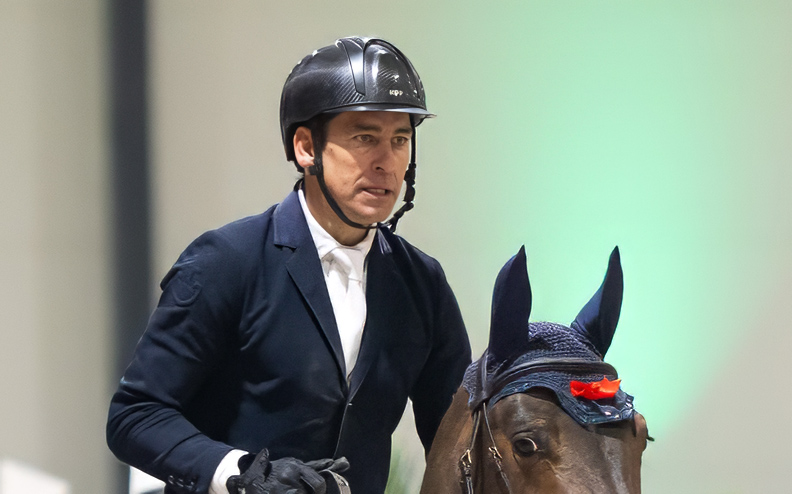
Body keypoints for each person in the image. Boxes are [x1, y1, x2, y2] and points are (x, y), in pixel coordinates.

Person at [106, 36, 471, 494]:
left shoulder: (423, 283)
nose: (386, 162)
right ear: (306, 148)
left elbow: (458, 441)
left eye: (400, 140)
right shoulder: (226, 261)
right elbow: (135, 415)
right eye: (365, 138)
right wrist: (239, 472)